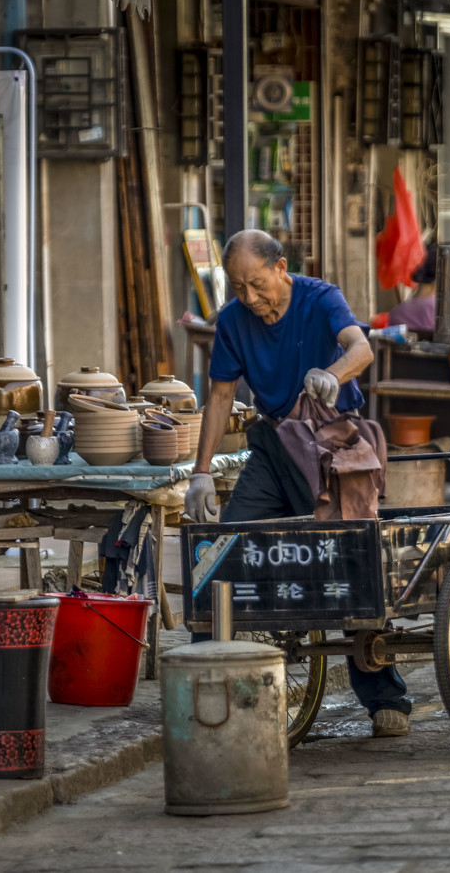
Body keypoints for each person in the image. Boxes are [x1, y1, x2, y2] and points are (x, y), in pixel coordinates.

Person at [183, 229, 412, 738]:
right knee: (223, 549)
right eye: (239, 287)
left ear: (282, 268)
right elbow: (221, 397)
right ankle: (210, 688)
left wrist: (332, 374)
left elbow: (360, 346)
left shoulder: (320, 297)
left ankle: (383, 697)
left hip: (335, 443)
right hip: (272, 446)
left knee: (352, 559)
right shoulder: (234, 322)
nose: (250, 297)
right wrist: (201, 473)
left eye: (258, 283)